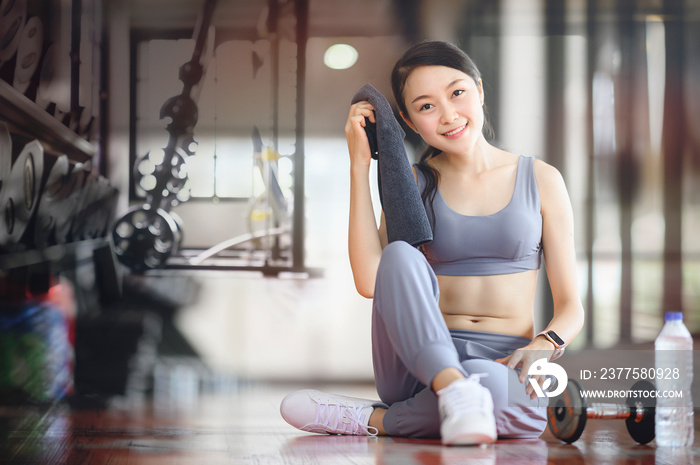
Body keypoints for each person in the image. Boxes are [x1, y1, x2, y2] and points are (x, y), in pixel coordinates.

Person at [280, 40, 584, 445]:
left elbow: (571, 307)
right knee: (401, 255)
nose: (448, 115)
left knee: (512, 402)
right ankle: (452, 388)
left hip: (503, 362)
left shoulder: (542, 179)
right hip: (413, 364)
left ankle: (374, 419)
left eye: (457, 93)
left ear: (479, 89)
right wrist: (358, 165)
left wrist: (547, 342)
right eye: (427, 106)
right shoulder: (413, 183)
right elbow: (372, 281)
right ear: (408, 120)